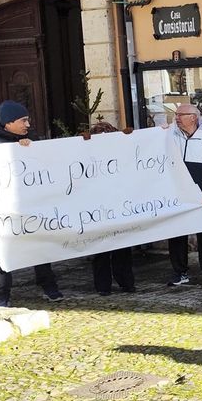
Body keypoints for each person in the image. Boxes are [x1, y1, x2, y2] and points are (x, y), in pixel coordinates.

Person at [0, 101, 63, 306]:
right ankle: (1, 296)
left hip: (31, 207)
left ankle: (48, 286)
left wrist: (31, 149)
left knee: (40, 247)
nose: (28, 124)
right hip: (2, 211)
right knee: (2, 253)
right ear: (8, 122)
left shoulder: (31, 140)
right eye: (23, 120)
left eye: (27, 119)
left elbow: (48, 165)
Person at [166, 103, 202, 287]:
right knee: (176, 235)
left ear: (193, 117)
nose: (177, 117)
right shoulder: (170, 137)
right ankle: (179, 272)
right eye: (176, 114)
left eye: (181, 114)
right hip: (177, 195)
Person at [87, 119, 136, 296]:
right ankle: (103, 285)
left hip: (119, 205)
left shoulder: (121, 153)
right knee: (101, 249)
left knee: (122, 247)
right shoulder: (87, 155)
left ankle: (126, 281)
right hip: (97, 208)